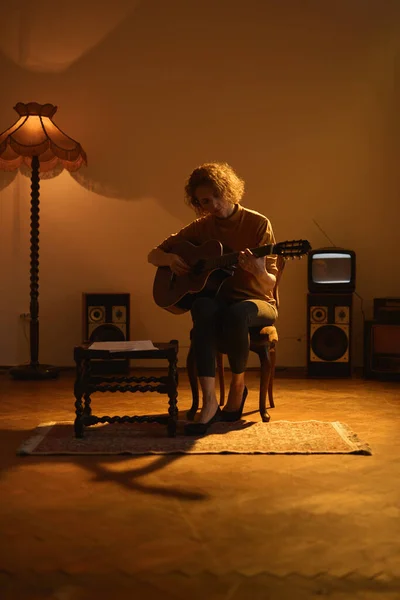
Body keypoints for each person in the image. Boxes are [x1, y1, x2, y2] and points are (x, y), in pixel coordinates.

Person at [148, 162, 278, 435]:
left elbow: (270, 282)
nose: (213, 205)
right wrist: (171, 259)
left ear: (228, 190)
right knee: (202, 305)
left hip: (257, 303)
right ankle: (209, 402)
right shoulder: (201, 228)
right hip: (219, 301)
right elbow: (153, 255)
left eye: (216, 197)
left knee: (237, 313)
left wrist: (259, 270)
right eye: (204, 201)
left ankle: (237, 388)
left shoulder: (257, 224)